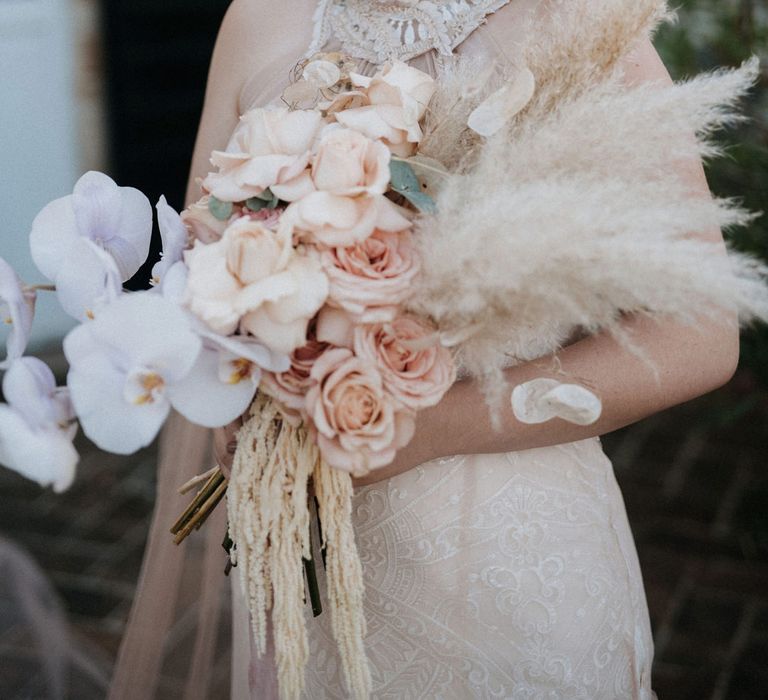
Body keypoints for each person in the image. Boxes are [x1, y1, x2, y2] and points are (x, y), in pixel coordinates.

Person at [112, 1, 739, 698]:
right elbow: (201, 273)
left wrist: (424, 429)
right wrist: (243, 401)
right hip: (310, 567)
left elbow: (702, 337)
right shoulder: (260, 18)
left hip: (517, 570)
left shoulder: (584, 23)